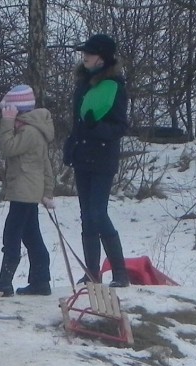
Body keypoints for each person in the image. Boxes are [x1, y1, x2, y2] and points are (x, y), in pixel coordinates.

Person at [62, 33, 130, 288]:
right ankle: (92, 273)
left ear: (102, 58)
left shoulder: (115, 86)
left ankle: (120, 272)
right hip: (83, 156)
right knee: (86, 216)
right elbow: (77, 123)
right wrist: (71, 147)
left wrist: (97, 127)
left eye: (89, 53)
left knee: (98, 213)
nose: (84, 57)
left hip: (102, 157)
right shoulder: (83, 84)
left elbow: (120, 126)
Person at [0, 84, 55, 297]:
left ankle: (5, 282)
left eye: (8, 111)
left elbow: (8, 147)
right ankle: (41, 281)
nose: (5, 114)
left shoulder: (29, 132)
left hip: (24, 191)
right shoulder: (34, 130)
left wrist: (7, 122)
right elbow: (45, 165)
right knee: (31, 235)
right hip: (29, 190)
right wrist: (47, 191)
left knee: (12, 234)